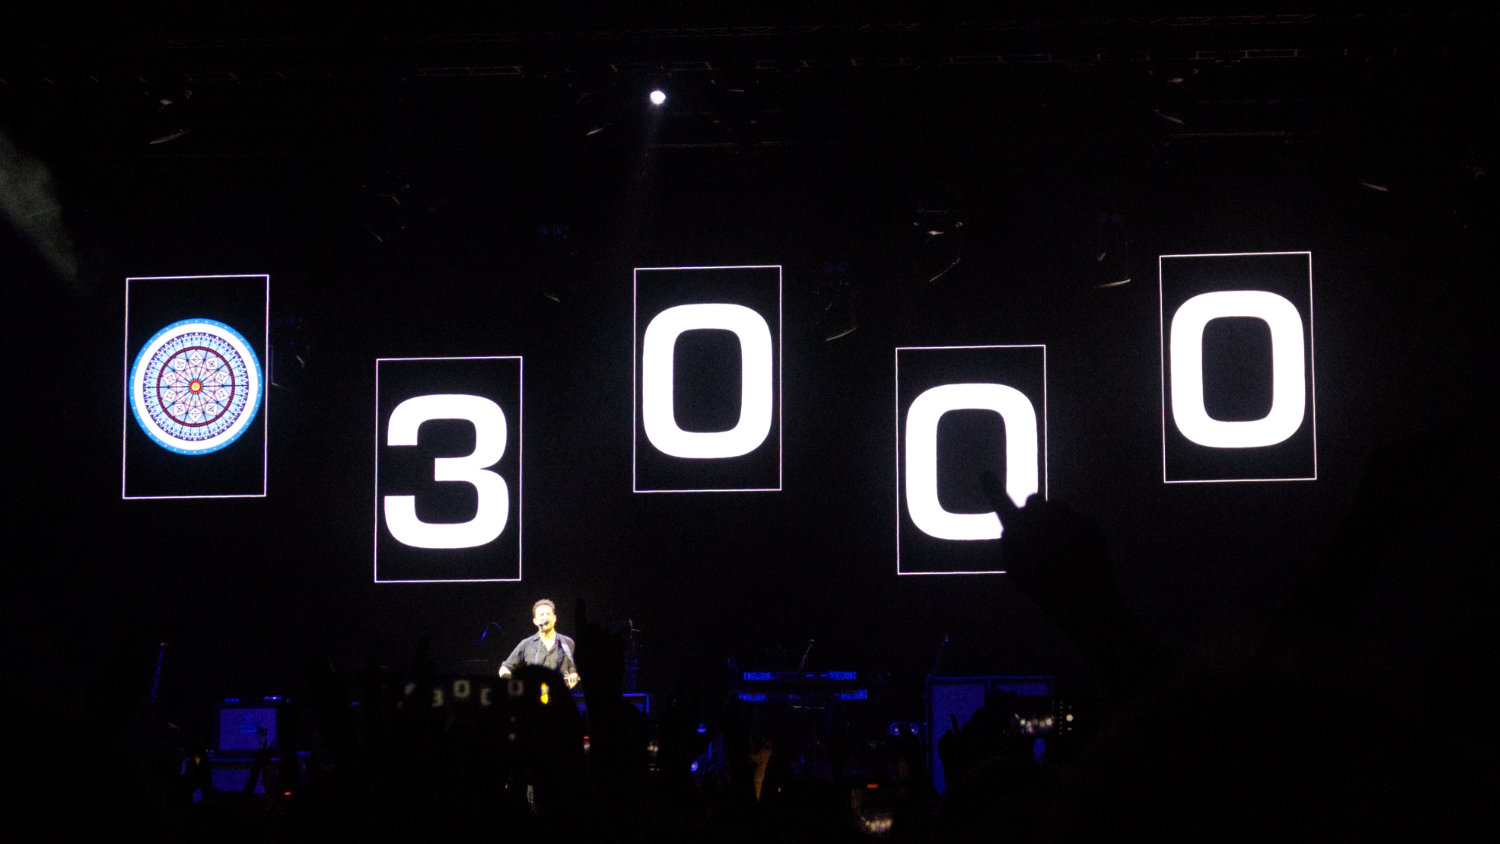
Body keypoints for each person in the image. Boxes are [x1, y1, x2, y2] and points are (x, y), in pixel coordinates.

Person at [498, 599, 580, 688]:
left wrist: (567, 686)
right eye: (541, 615)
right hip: (533, 697)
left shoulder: (568, 643)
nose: (545, 617)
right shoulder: (526, 644)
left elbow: (574, 672)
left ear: (554, 618)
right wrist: (512, 683)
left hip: (559, 697)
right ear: (535, 621)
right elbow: (505, 667)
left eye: (548, 614)